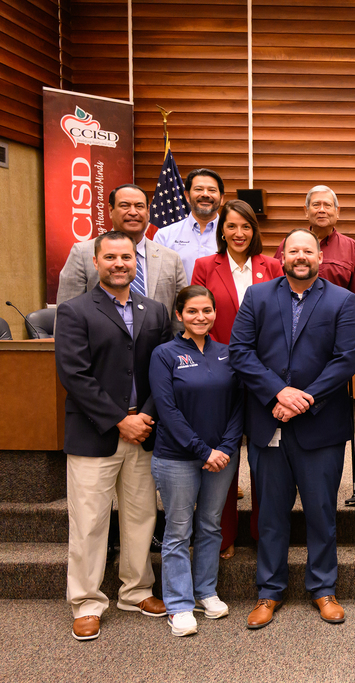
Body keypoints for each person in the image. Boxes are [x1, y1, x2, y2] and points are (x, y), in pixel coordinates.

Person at [229, 228, 355, 629]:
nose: (300, 256)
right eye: (293, 251)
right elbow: (240, 351)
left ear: (320, 257)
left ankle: (323, 589)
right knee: (270, 513)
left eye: (308, 250)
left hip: (319, 424)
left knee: (322, 511)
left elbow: (346, 358)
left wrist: (302, 399)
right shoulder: (257, 296)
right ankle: (268, 592)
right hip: (268, 420)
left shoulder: (341, 299)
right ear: (282, 256)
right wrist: (278, 394)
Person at [55, 230, 173, 641]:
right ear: (96, 261)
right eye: (111, 257)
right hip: (95, 434)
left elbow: (164, 370)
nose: (120, 263)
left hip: (143, 431)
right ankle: (86, 601)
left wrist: (144, 417)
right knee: (89, 521)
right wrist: (119, 419)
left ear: (136, 262)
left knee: (141, 516)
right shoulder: (74, 311)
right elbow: (75, 375)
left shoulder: (155, 310)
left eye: (127, 257)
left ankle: (136, 590)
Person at [192, 199, 284, 560]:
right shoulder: (205, 266)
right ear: (222, 230)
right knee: (223, 455)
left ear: (254, 230)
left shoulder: (272, 265)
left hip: (264, 375)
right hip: (221, 372)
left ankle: (264, 532)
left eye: (245, 226)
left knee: (265, 456)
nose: (239, 233)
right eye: (231, 226)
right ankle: (223, 534)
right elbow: (197, 318)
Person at [149, 286, 243, 637]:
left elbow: (238, 406)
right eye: (192, 311)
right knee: (177, 531)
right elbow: (167, 410)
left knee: (210, 525)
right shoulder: (164, 354)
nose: (200, 317)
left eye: (206, 310)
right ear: (179, 315)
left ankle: (205, 591)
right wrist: (204, 451)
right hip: (177, 458)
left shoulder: (227, 353)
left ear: (215, 313)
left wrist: (227, 448)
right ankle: (178, 605)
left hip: (223, 457)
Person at [57, 184, 188, 325]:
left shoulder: (171, 258)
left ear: (148, 211)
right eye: (125, 205)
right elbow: (66, 316)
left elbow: (180, 318)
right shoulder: (82, 253)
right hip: (99, 345)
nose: (133, 212)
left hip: (158, 346)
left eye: (139, 206)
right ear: (110, 210)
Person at [274, 185, 355, 297]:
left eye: (327, 205)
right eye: (316, 205)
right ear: (306, 211)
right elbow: (275, 287)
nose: (322, 210)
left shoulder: (352, 248)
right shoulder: (289, 243)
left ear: (337, 211)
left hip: (336, 313)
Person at [154, 168, 224, 282]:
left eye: (212, 190)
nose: (205, 194)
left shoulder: (233, 236)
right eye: (198, 189)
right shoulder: (165, 236)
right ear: (187, 196)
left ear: (221, 198)